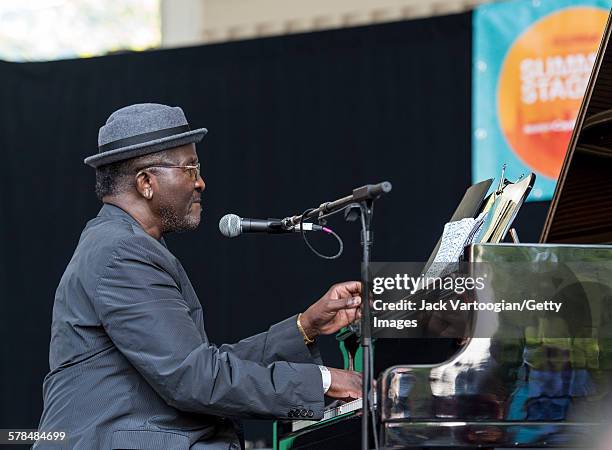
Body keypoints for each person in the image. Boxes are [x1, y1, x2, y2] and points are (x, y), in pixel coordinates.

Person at [36, 103, 362, 449]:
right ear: (146, 182)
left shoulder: (118, 244)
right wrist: (324, 381)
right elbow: (194, 378)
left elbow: (196, 366)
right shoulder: (122, 254)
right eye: (190, 168)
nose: (201, 182)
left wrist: (305, 326)